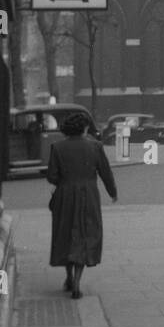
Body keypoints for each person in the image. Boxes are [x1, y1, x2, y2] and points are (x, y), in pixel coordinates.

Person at [46, 110, 118, 299]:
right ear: (85, 128)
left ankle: (68, 276)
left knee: (66, 234)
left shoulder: (57, 147)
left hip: (65, 195)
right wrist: (113, 192)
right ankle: (77, 280)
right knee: (86, 235)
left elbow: (52, 177)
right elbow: (105, 172)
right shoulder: (95, 146)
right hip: (89, 196)